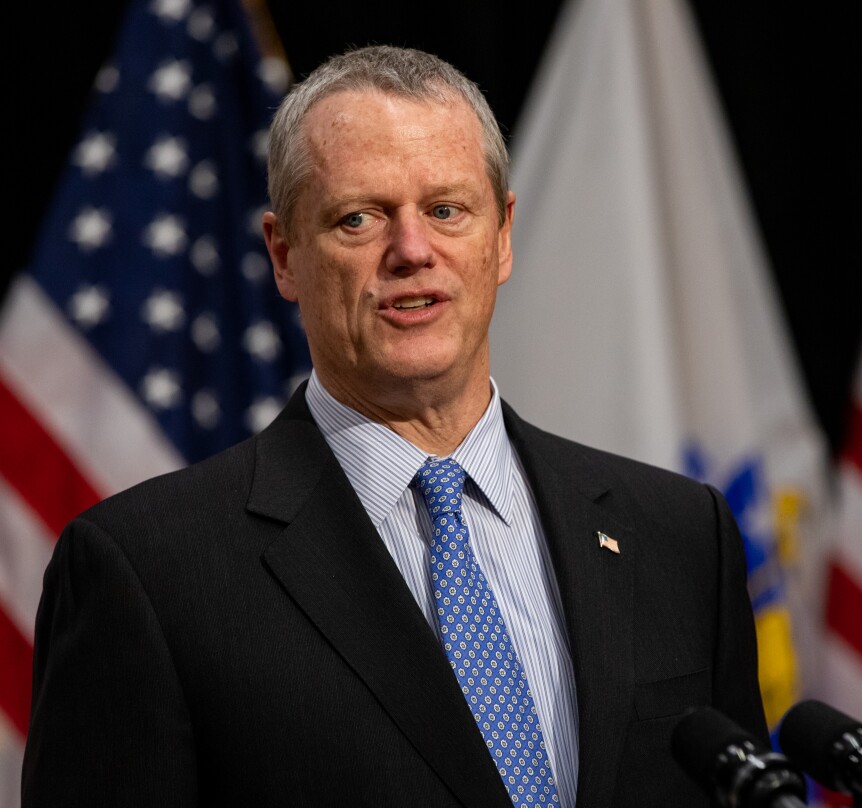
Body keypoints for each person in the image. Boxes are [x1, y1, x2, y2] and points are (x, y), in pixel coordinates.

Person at [22, 45, 768, 807]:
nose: (412, 251)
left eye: (446, 210)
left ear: (502, 235)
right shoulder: (147, 571)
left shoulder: (678, 536)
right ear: (284, 256)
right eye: (359, 218)